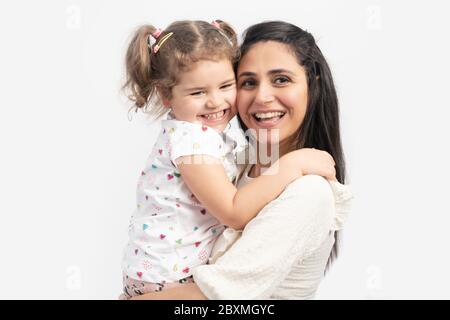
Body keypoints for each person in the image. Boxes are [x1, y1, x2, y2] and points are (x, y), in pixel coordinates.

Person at [129, 20, 353, 300]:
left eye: (281, 79)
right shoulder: (245, 160)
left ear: (313, 84)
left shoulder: (309, 192)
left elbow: (223, 296)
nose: (262, 96)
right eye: (248, 82)